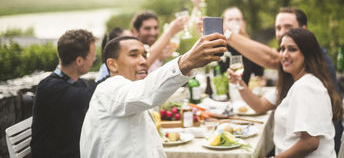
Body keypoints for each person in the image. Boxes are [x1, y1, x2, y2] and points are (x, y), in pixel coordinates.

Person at [80, 33, 227, 157]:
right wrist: (186, 62)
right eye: (133, 55)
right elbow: (146, 93)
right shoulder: (108, 88)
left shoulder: (129, 89)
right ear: (112, 65)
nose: (144, 61)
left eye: (145, 55)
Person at [226, 7, 342, 152]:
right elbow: (260, 105)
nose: (284, 55)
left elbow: (310, 142)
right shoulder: (294, 79)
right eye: (282, 49)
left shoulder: (307, 86)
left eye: (292, 49)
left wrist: (226, 34)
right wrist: (239, 82)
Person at [31, 29, 99, 158]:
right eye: (92, 56)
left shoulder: (77, 83)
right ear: (79, 61)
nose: (94, 60)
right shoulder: (50, 87)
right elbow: (87, 97)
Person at [220, 7, 264, 85]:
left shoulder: (251, 45)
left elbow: (260, 76)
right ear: (223, 24)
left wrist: (244, 37)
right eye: (230, 20)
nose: (234, 22)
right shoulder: (220, 46)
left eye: (237, 19)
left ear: (243, 23)